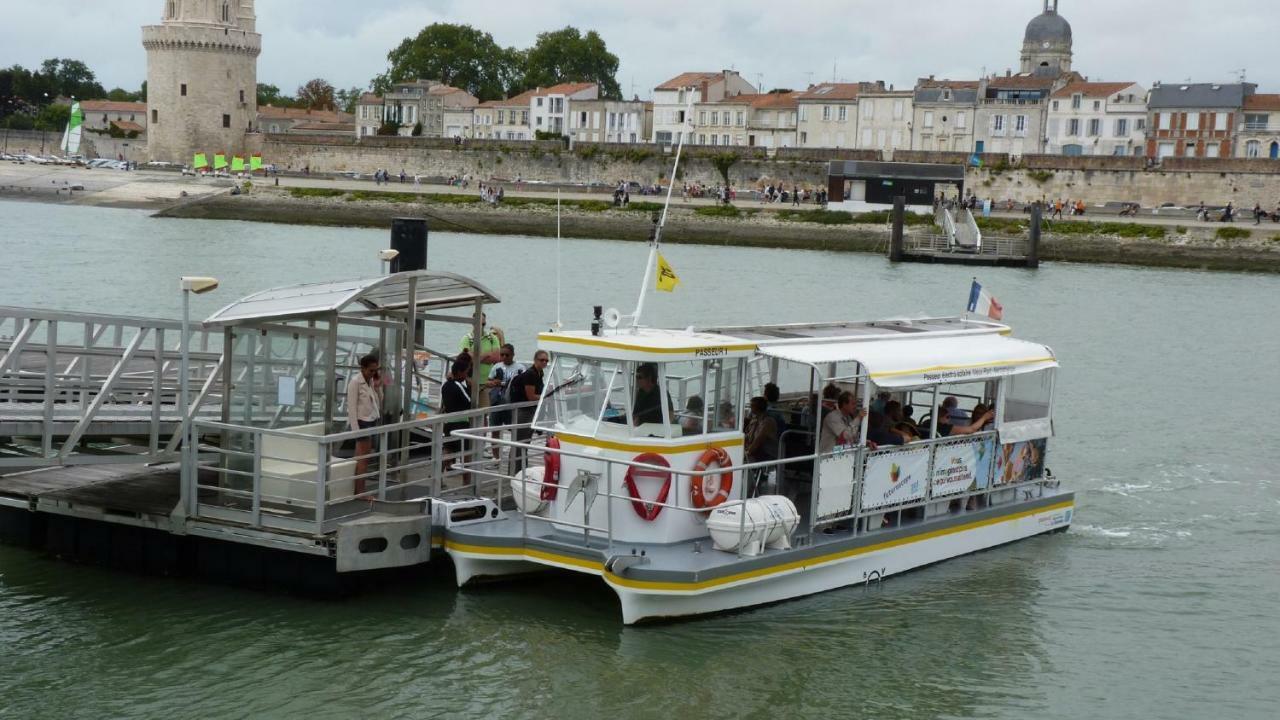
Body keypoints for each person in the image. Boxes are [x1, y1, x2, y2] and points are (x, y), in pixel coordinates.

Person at [345, 354, 383, 496]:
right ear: (363, 368)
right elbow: (351, 408)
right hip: (362, 423)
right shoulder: (355, 382)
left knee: (362, 457)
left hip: (371, 420)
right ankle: (360, 491)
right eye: (371, 370)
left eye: (376, 370)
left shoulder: (370, 381)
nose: (373, 373)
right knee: (363, 459)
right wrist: (356, 431)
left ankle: (357, 489)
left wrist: (378, 387)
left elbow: (379, 401)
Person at [507, 350, 548, 470]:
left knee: (524, 443)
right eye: (542, 360)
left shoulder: (539, 373)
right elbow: (531, 396)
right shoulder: (531, 374)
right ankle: (515, 471)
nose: (544, 362)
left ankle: (520, 470)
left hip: (529, 411)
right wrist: (546, 397)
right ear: (535, 360)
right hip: (523, 411)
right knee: (519, 443)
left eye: (546, 360)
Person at [460, 314, 505, 411]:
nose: (481, 326)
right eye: (478, 323)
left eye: (483, 323)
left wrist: (476, 357)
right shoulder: (466, 339)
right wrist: (486, 355)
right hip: (470, 382)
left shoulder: (492, 338)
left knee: (484, 413)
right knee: (469, 412)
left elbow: (496, 358)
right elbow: (467, 359)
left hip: (487, 383)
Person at [486, 344, 525, 455]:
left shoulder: (520, 368)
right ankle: (496, 456)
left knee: (514, 430)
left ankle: (513, 455)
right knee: (495, 430)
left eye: (507, 355)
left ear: (512, 355)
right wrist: (494, 383)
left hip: (512, 403)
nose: (504, 357)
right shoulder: (496, 366)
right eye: (501, 354)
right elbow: (487, 383)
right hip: (497, 401)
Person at [745, 397, 779, 493]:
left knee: (746, 461)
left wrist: (748, 452)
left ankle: (748, 490)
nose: (751, 408)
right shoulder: (755, 420)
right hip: (757, 451)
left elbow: (759, 439)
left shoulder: (768, 422)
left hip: (766, 453)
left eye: (752, 406)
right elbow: (748, 436)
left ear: (757, 408)